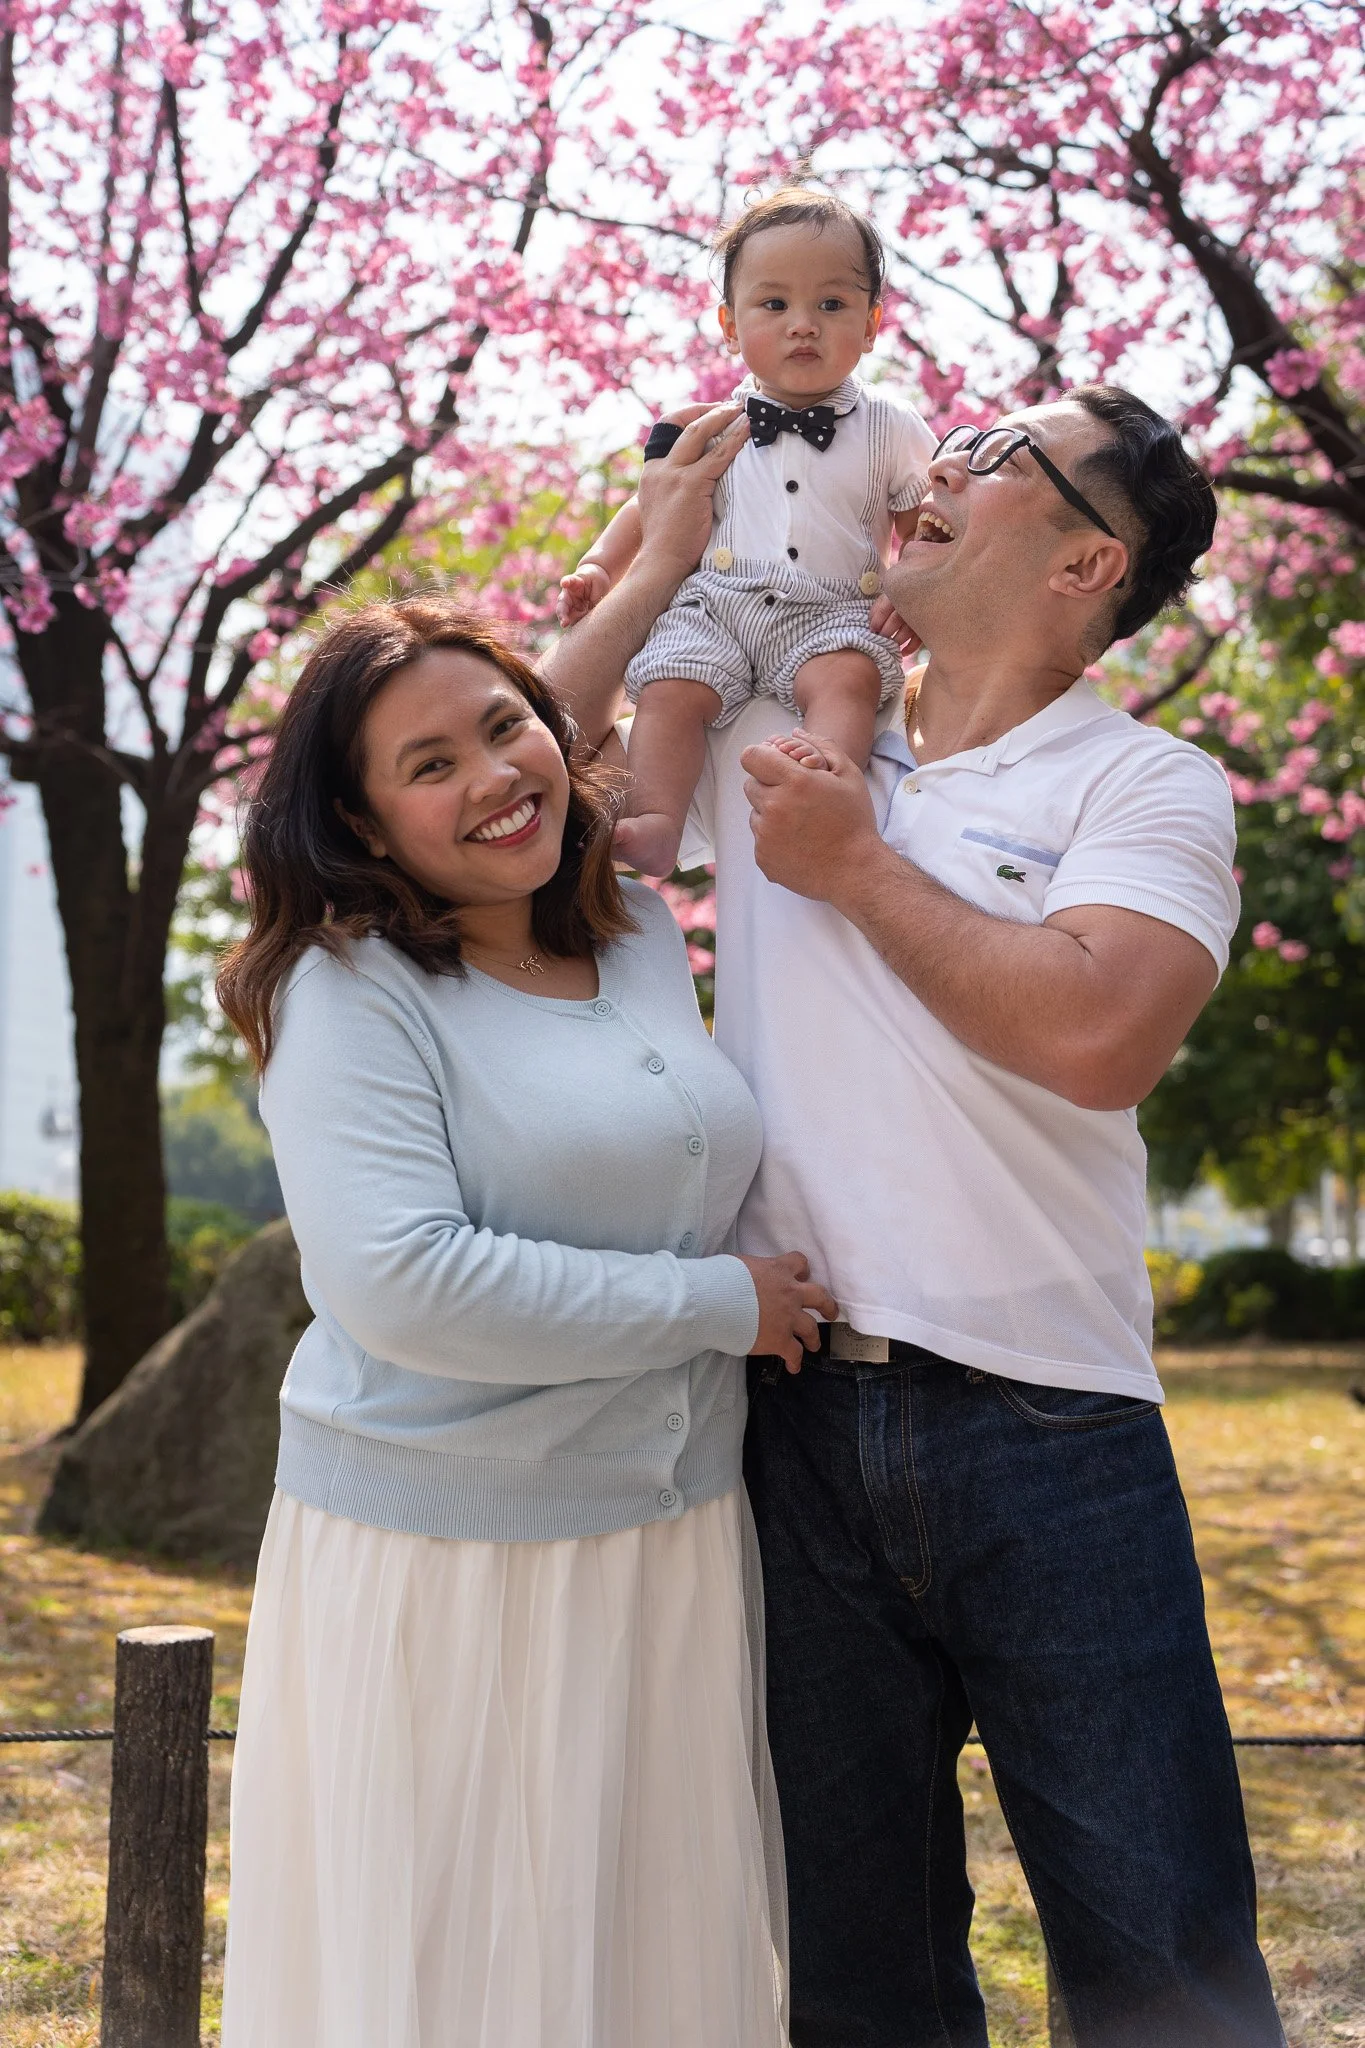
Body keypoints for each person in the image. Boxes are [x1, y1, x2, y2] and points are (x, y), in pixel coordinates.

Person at [544, 388, 1287, 2046]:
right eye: (948, 442)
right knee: (850, 1968)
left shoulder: (1150, 783)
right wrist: (669, 548)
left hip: (1053, 1425)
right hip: (786, 1414)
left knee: (1164, 1955)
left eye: (997, 459)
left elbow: (1101, 1034)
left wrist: (859, 866)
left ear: (1091, 557)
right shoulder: (781, 719)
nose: (933, 466)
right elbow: (530, 752)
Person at [215, 596, 838, 2048]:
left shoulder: (620, 929)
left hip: (670, 1538)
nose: (494, 777)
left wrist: (669, 541)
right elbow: (404, 1282)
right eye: (426, 766)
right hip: (450, 1561)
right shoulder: (344, 989)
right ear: (363, 826)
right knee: (463, 1978)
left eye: (507, 729)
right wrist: (717, 1306)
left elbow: (602, 694)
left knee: (644, 1968)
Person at [558, 188, 934, 877]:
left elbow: (925, 526)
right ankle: (656, 821)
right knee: (671, 691)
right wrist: (598, 568)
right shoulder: (703, 425)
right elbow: (648, 510)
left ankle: (819, 785)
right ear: (729, 325)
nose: (802, 325)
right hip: (717, 606)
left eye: (831, 304)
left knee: (849, 681)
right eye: (774, 305)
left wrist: (912, 587)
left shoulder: (891, 426)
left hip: (831, 609)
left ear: (872, 323)